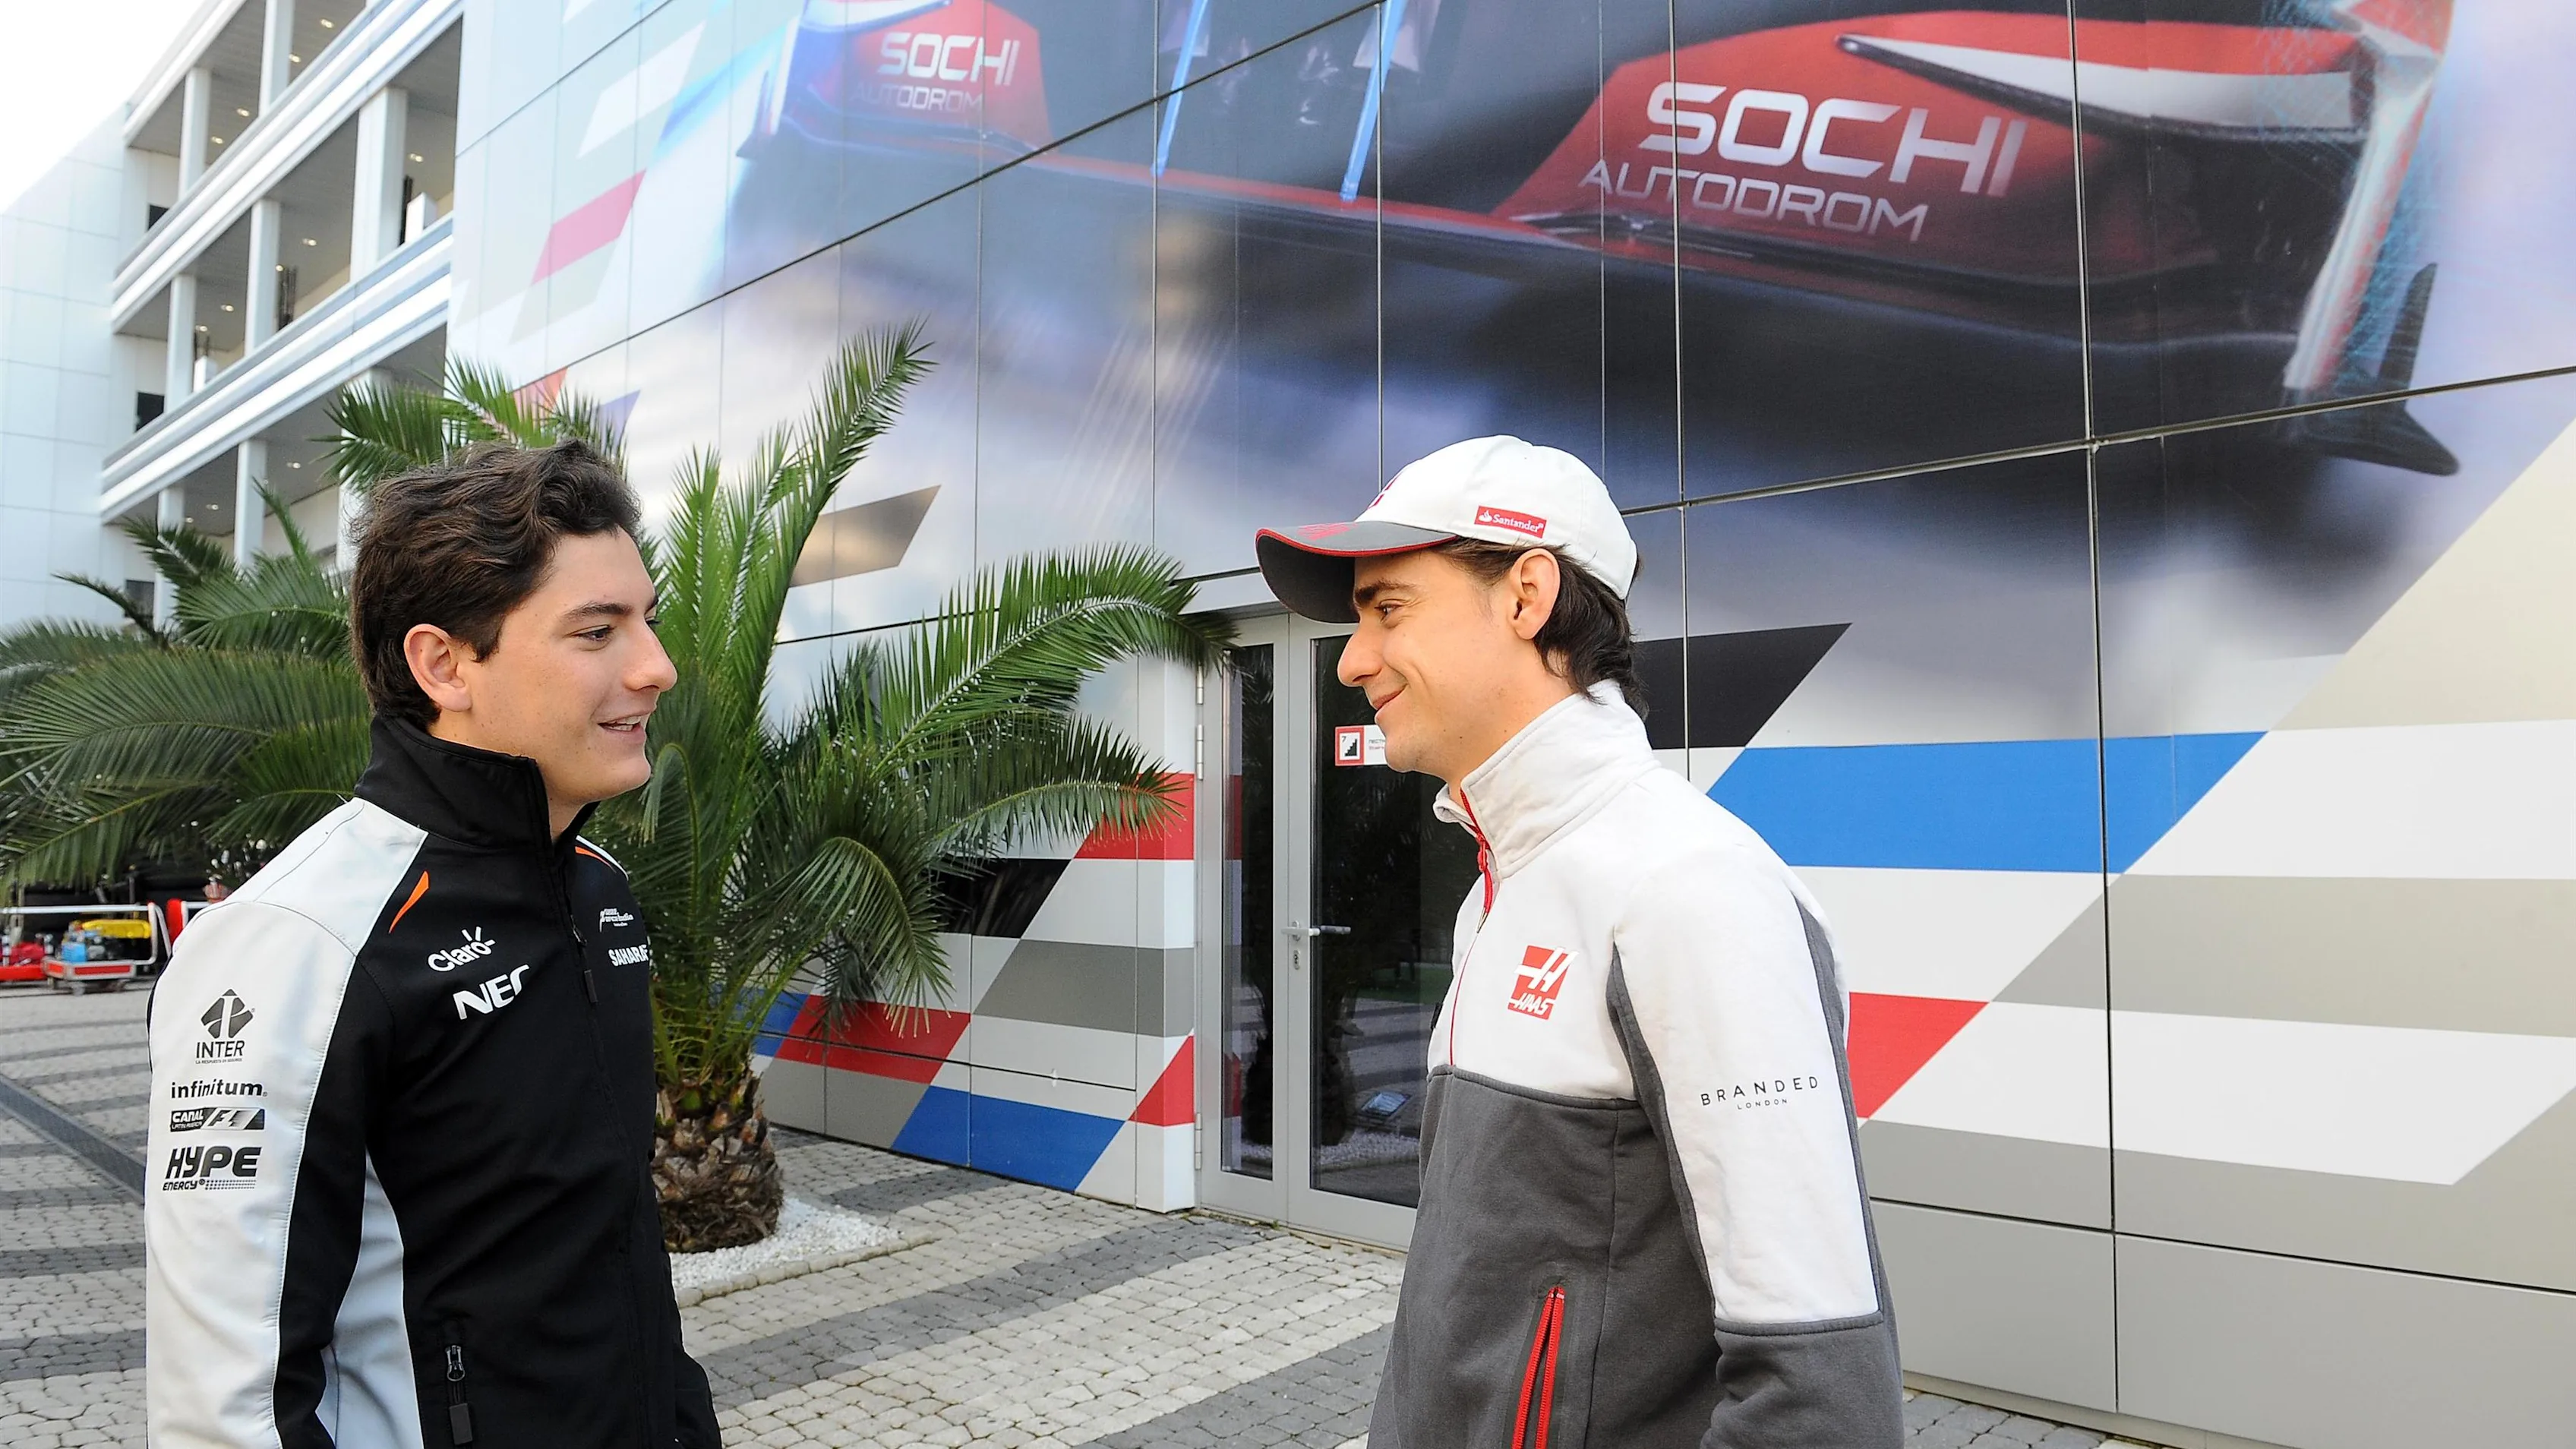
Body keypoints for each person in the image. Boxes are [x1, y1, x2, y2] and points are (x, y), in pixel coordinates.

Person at [1255, 437, 1902, 1448]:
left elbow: (1822, 1402)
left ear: (1525, 596)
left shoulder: (1689, 890)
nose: (1353, 658)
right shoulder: (1506, 887)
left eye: (1389, 610)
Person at [144, 440, 717, 1448]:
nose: (656, 666)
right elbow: (223, 1407)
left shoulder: (601, 896)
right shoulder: (299, 944)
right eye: (597, 630)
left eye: (649, 620)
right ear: (443, 663)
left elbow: (617, 1249)